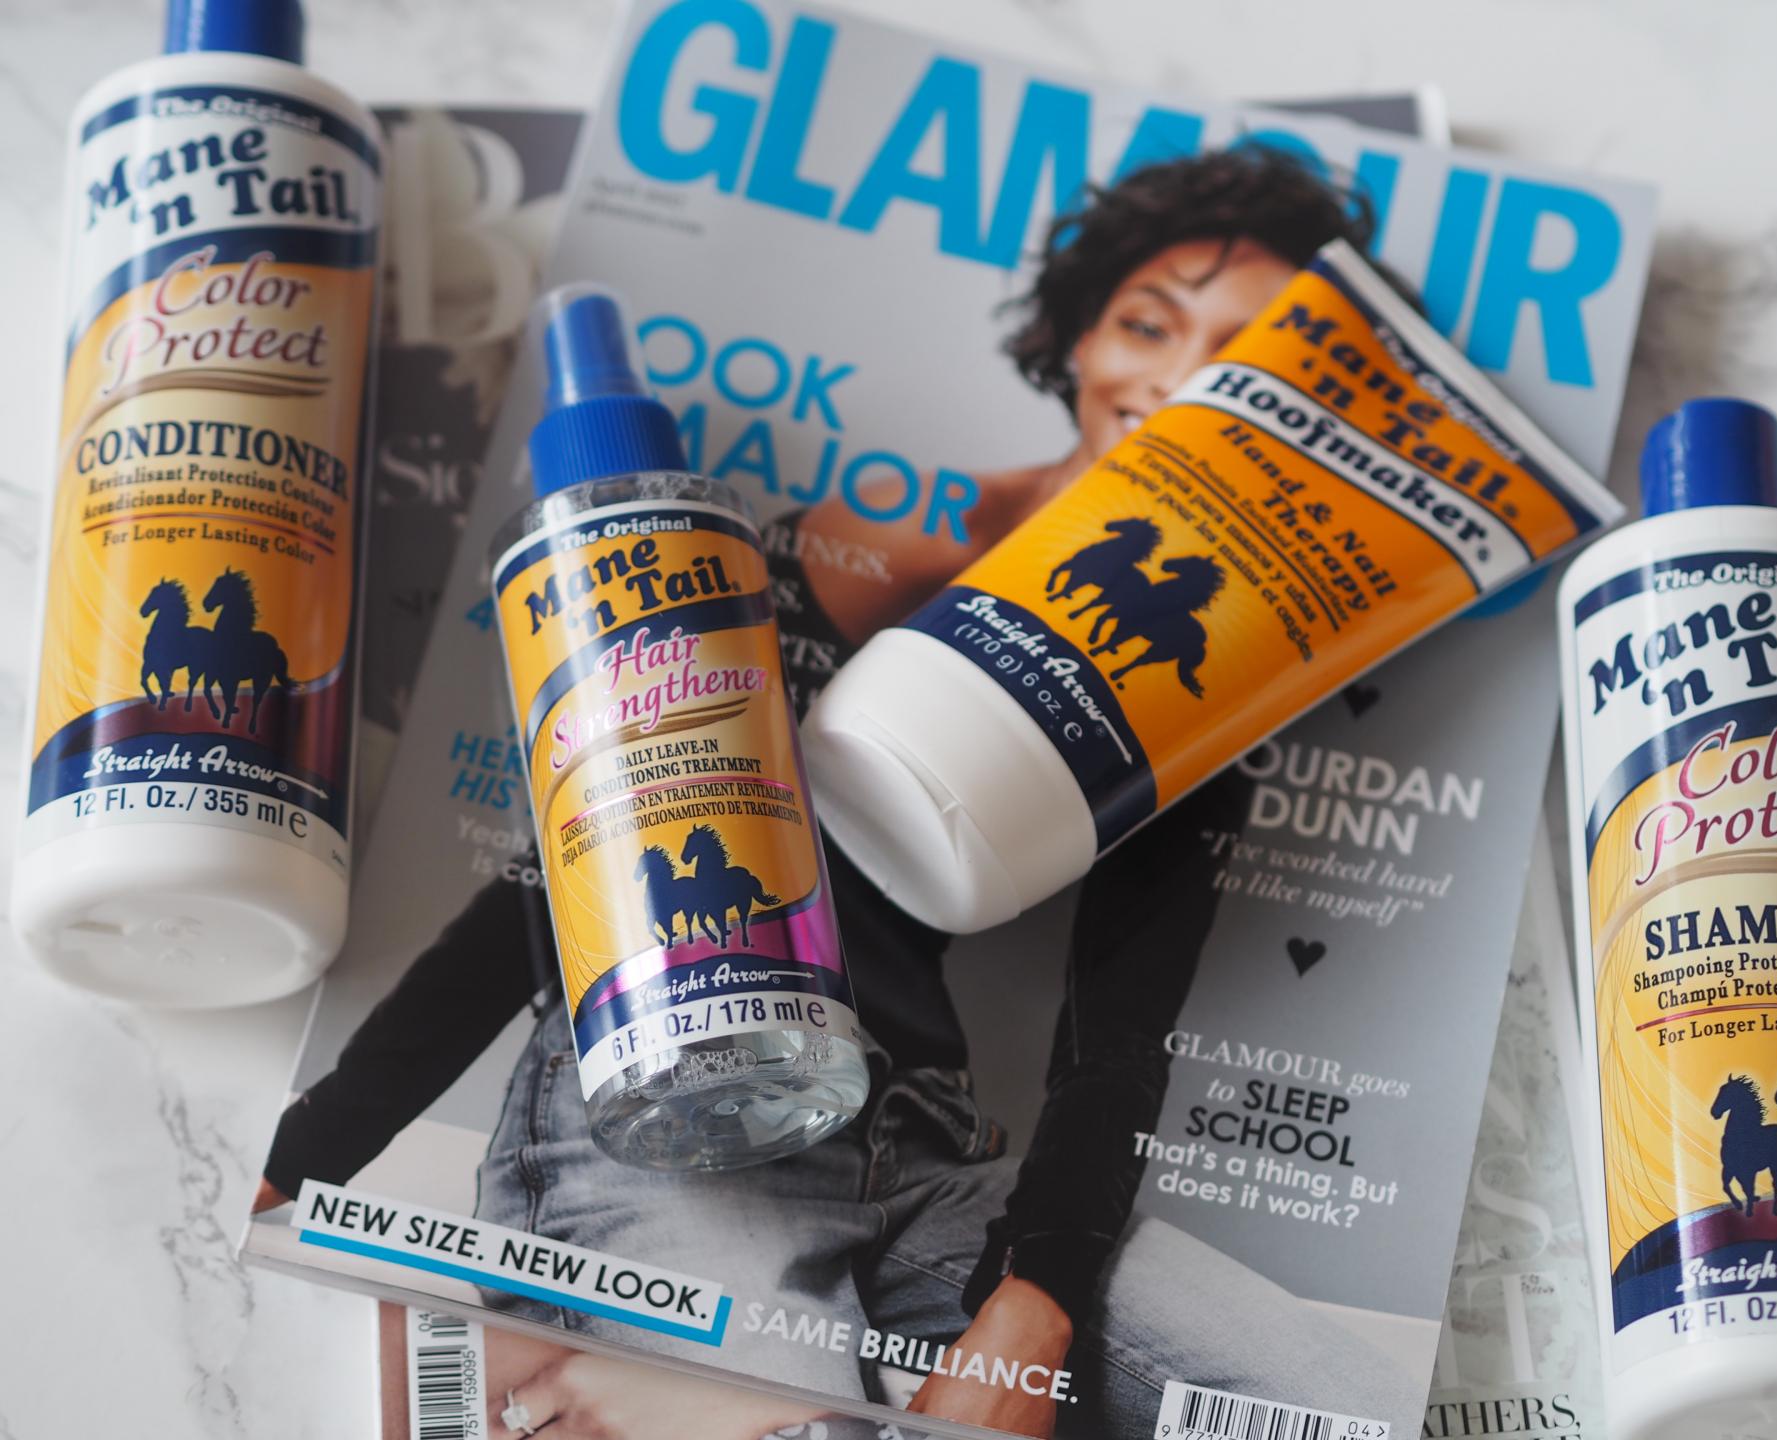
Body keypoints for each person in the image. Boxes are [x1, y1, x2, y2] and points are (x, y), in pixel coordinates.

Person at [261, 146, 1422, 1439]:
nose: (1172, 380)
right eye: (1150, 325)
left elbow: (1120, 1029)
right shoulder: (884, 549)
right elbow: (588, 861)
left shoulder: (1225, 672)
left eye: (1240, 359)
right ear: (1082, 335)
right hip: (670, 1092)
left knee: (1344, 1411)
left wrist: (1032, 1302)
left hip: (929, 1152)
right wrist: (304, 1153)